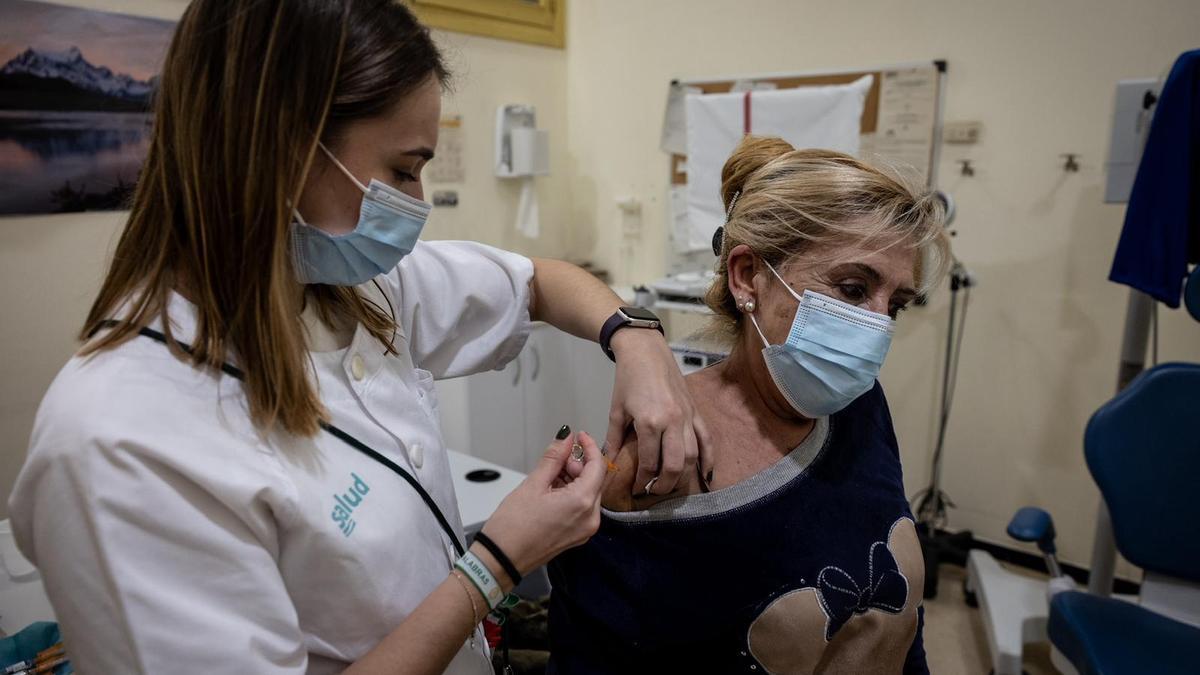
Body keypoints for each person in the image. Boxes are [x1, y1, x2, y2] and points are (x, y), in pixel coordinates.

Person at [6, 2, 711, 673]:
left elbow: (539, 282)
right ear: (282, 146)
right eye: (403, 169)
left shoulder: (348, 288)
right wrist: (497, 560)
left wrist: (638, 341)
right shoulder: (119, 444)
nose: (418, 202)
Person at [547, 136, 952, 674]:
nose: (877, 325)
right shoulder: (666, 451)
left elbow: (900, 618)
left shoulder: (860, 407)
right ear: (747, 277)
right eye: (854, 289)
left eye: (895, 306)